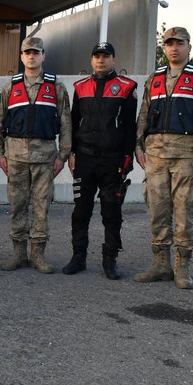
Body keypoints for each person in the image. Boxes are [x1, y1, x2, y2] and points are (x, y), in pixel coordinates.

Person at [134, 26, 193, 289]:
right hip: (156, 155)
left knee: (184, 211)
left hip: (187, 154)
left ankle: (181, 267)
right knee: (157, 210)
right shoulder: (155, 77)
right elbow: (144, 114)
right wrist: (138, 146)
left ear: (189, 47)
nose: (174, 47)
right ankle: (160, 264)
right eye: (169, 43)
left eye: (179, 43)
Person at [0, 36, 72, 273]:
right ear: (21, 56)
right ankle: (19, 253)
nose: (31, 56)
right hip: (16, 157)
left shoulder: (56, 87)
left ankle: (38, 254)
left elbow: (66, 123)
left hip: (45, 157)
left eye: (36, 52)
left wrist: (63, 155)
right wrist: (0, 154)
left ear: (43, 56)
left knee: (41, 207)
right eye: (27, 52)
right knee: (17, 205)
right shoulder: (10, 87)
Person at [64, 42, 137, 279]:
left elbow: (130, 127)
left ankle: (110, 259)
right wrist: (71, 153)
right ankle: (78, 257)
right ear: (92, 60)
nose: (100, 60)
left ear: (114, 59)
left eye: (105, 56)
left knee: (111, 213)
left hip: (112, 160)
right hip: (84, 159)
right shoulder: (81, 87)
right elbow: (74, 123)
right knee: (80, 211)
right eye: (96, 56)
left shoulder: (126, 87)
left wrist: (128, 158)